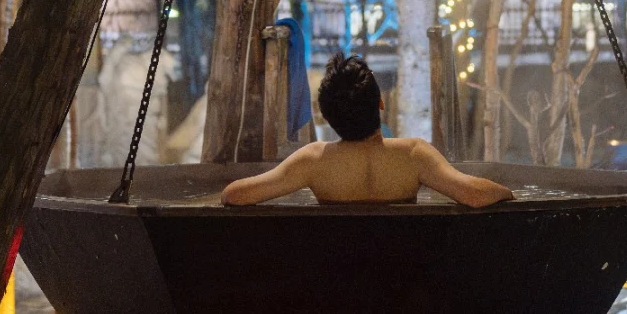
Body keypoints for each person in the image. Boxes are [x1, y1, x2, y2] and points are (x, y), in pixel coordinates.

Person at [221, 52, 515, 208]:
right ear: (380, 103)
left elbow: (234, 195)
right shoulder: (413, 154)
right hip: (406, 283)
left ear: (327, 116)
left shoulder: (312, 160)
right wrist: (510, 194)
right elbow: (475, 194)